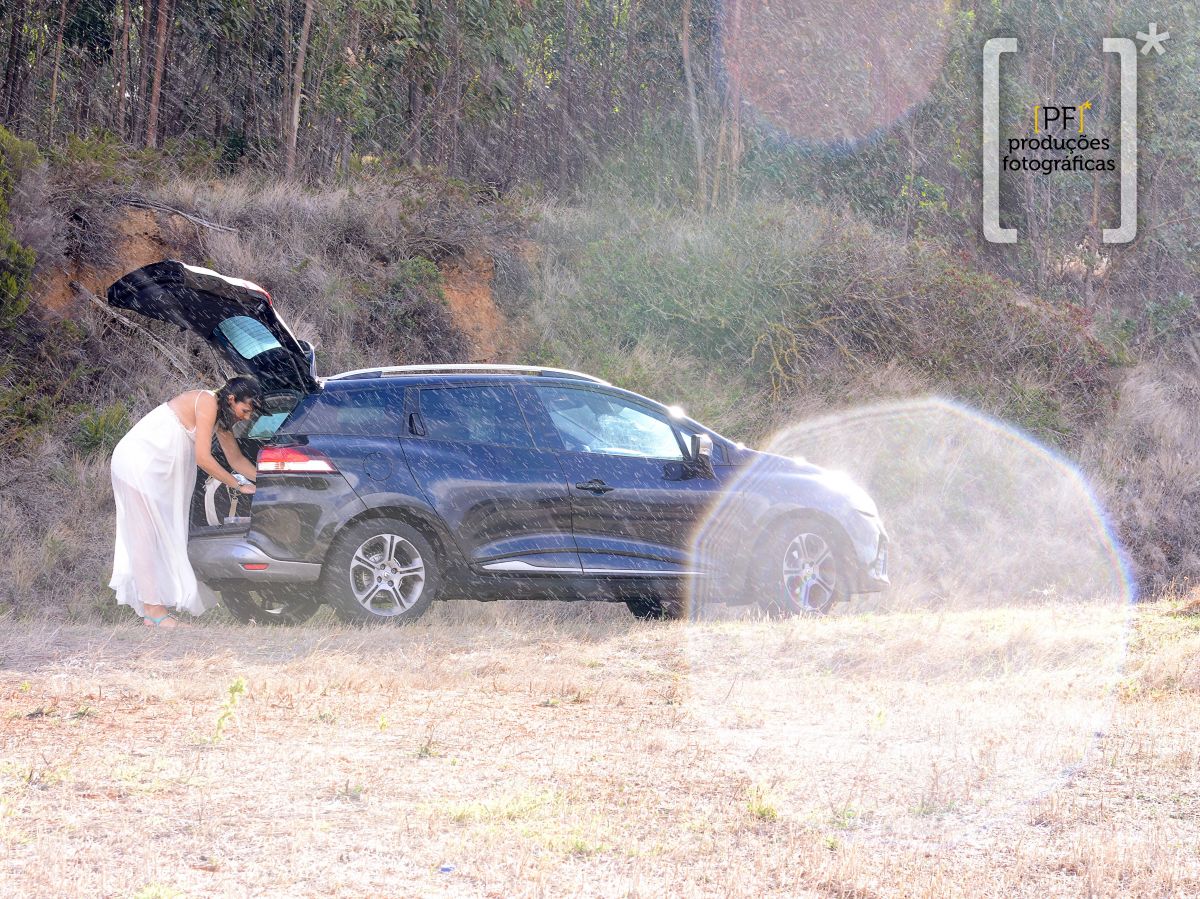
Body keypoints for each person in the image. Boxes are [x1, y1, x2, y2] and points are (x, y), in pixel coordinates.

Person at [109, 375, 262, 628]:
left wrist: (269, 479)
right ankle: (154, 613)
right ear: (231, 399)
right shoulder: (208, 402)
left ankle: (154, 611)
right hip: (141, 461)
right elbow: (203, 457)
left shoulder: (222, 418)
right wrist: (237, 484)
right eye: (245, 410)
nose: (245, 417)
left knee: (159, 534)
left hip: (157, 468)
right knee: (145, 534)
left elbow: (236, 460)